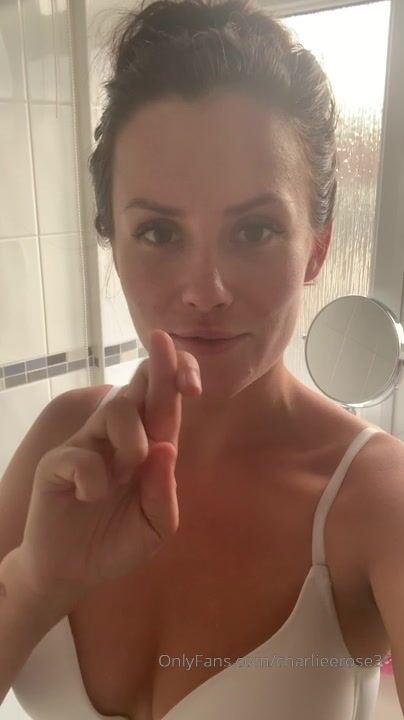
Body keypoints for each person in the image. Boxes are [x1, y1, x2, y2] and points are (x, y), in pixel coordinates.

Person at [1, 0, 401, 719]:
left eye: (255, 230)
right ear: (113, 244)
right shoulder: (62, 445)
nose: (205, 291)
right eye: (158, 232)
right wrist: (34, 588)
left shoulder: (378, 500)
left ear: (316, 247)